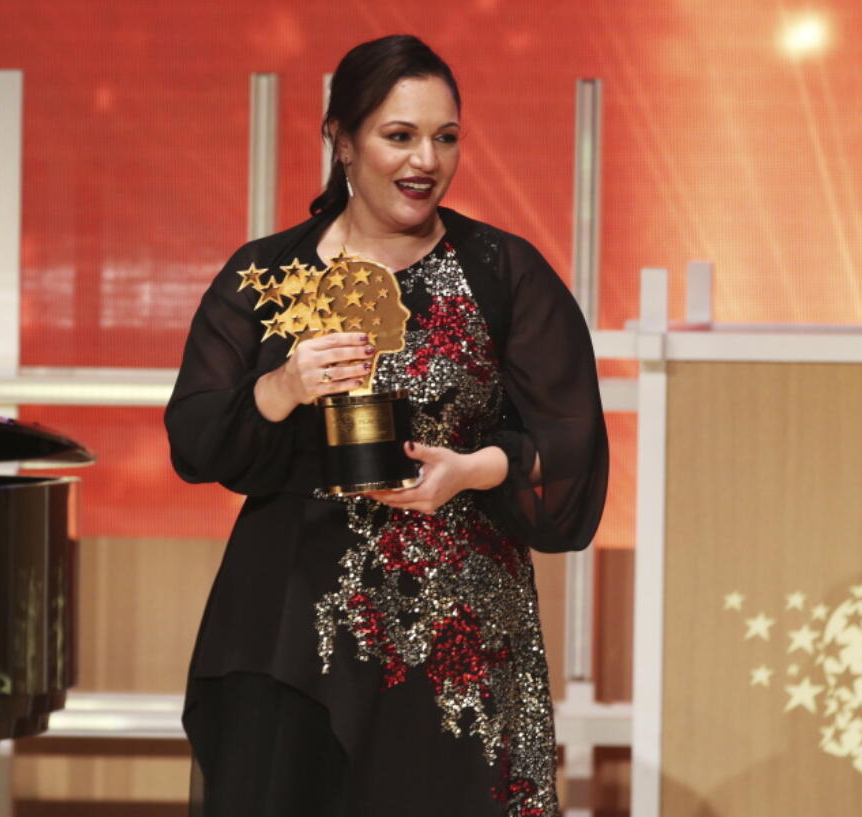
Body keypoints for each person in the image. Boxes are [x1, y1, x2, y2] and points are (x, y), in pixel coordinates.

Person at [165, 34, 608, 817]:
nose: (426, 161)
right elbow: (196, 440)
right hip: (290, 624)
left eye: (445, 138)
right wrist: (283, 384)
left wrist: (473, 470)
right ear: (342, 139)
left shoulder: (500, 271)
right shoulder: (267, 275)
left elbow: (573, 437)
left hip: (455, 637)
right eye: (399, 136)